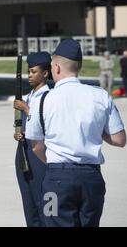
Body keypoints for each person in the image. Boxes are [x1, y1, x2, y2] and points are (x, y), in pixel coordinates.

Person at [25, 39, 126, 227]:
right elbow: (120, 139)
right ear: (77, 67)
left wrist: (55, 165)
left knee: (52, 222)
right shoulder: (100, 95)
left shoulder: (43, 99)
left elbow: (36, 145)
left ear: (55, 67)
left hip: (55, 180)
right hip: (91, 179)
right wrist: (95, 128)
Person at [12, 51, 51, 227]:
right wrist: (19, 133)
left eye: (33, 71)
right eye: (28, 71)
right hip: (24, 150)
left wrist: (27, 109)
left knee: (44, 202)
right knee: (28, 204)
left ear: (45, 73)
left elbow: (46, 123)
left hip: (41, 153)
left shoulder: (49, 97)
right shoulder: (29, 96)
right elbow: (23, 124)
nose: (29, 76)